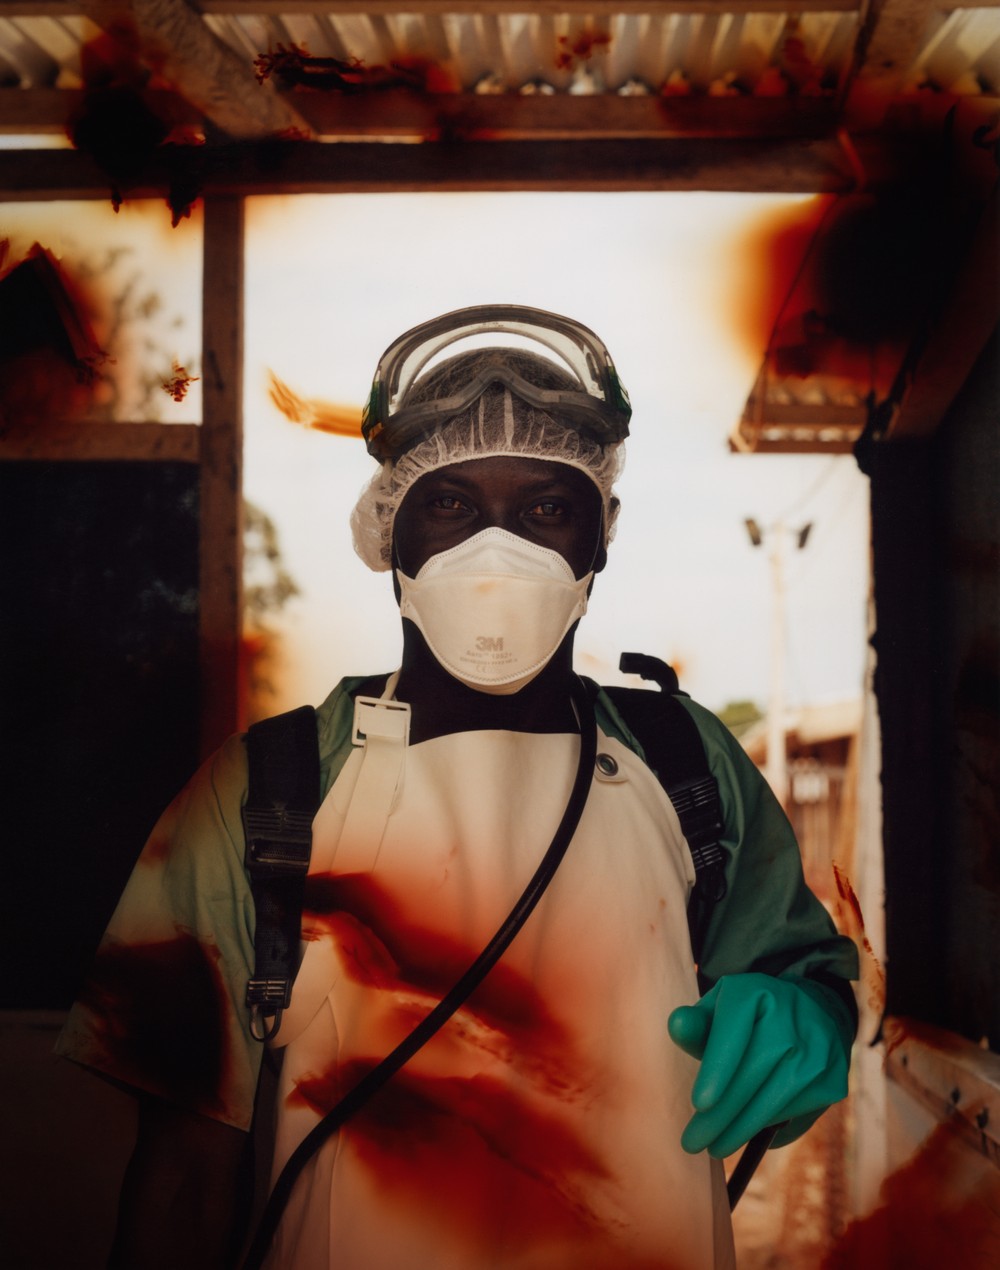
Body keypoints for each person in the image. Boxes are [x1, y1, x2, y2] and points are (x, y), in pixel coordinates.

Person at [58, 305, 859, 1270]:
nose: (497, 550)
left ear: (599, 541)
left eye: (547, 510)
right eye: (450, 505)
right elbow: (185, 1166)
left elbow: (801, 972)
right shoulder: (269, 790)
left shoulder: (688, 763)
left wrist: (812, 1014)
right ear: (390, 534)